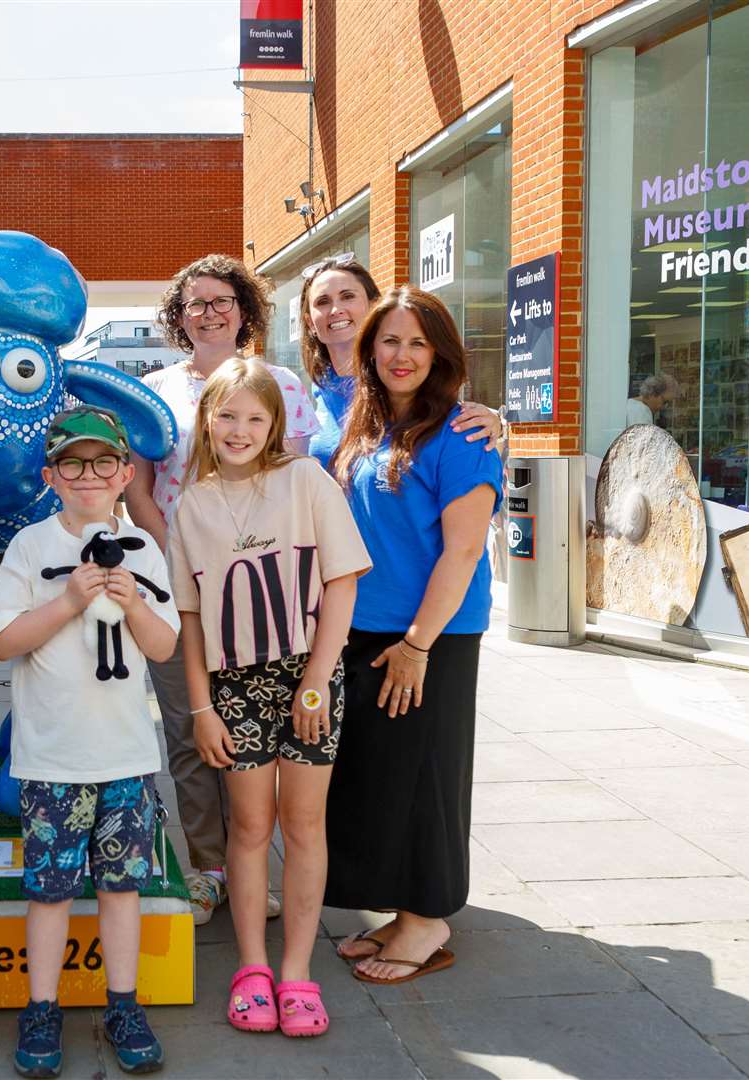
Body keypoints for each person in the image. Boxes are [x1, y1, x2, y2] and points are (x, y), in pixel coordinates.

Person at [169, 357, 369, 1037]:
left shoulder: (304, 480)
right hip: (233, 685)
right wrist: (200, 708)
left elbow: (340, 582)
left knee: (304, 826)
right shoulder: (190, 505)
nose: (239, 429)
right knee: (249, 830)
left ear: (275, 426)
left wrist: (316, 678)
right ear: (205, 419)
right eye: (226, 415)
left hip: (307, 676)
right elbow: (190, 619)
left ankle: (296, 973)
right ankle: (251, 967)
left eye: (255, 418)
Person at [0, 407, 179, 1077]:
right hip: (52, 759)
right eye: (72, 463)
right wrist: (67, 602)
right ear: (50, 476)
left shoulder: (146, 550)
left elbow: (163, 646)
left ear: (127, 474)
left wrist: (131, 603)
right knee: (49, 890)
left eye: (103, 464)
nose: (88, 476)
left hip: (124, 755)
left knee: (122, 889)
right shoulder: (31, 547)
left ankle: (121, 1003)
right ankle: (41, 1008)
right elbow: (4, 641)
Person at [124, 254, 315, 925]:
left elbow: (289, 480)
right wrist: (174, 550)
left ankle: (250, 865)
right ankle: (207, 867)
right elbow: (138, 486)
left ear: (244, 309)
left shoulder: (282, 384)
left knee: (248, 728)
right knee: (185, 727)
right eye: (193, 302)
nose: (207, 311)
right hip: (172, 583)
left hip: (253, 587)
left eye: (220, 299)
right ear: (177, 317)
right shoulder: (152, 390)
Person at [325, 286, 504, 986]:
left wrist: (418, 644)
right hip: (366, 628)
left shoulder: (460, 434)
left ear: (440, 354)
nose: (402, 356)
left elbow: (461, 552)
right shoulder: (364, 427)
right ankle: (405, 911)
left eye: (417, 343)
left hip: (431, 636)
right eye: (390, 341)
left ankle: (429, 919)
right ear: (370, 348)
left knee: (427, 774)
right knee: (384, 778)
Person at [298, 253, 502, 471]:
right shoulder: (313, 392)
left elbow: (439, 418)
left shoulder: (399, 378)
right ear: (310, 322)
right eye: (323, 301)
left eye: (348, 296)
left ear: (373, 306)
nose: (336, 309)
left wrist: (496, 423)